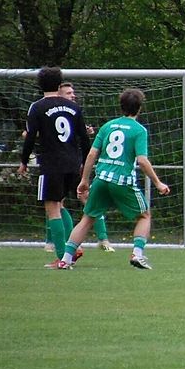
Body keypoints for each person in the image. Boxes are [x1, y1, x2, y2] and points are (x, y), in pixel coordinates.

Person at [59, 88, 170, 270]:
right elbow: (142, 161)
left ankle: (65, 259)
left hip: (101, 179)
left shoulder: (107, 126)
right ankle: (137, 254)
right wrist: (158, 183)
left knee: (87, 218)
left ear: (121, 106)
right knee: (144, 215)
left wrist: (84, 180)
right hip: (122, 181)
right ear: (139, 108)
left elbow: (92, 154)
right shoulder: (139, 130)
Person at [19, 66, 90, 268]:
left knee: (52, 209)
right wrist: (84, 164)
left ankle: (62, 257)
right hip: (73, 163)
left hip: (51, 164)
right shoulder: (73, 107)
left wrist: (24, 161)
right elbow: (84, 138)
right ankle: (72, 248)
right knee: (61, 205)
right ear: (60, 85)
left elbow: (31, 136)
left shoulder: (37, 107)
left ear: (39, 85)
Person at [58, 82, 114, 253]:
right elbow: (27, 132)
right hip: (57, 163)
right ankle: (55, 241)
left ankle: (102, 239)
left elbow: (81, 137)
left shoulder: (74, 112)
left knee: (84, 199)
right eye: (68, 93)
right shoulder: (49, 112)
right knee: (55, 203)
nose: (73, 95)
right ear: (58, 95)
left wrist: (85, 131)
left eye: (73, 92)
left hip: (74, 163)